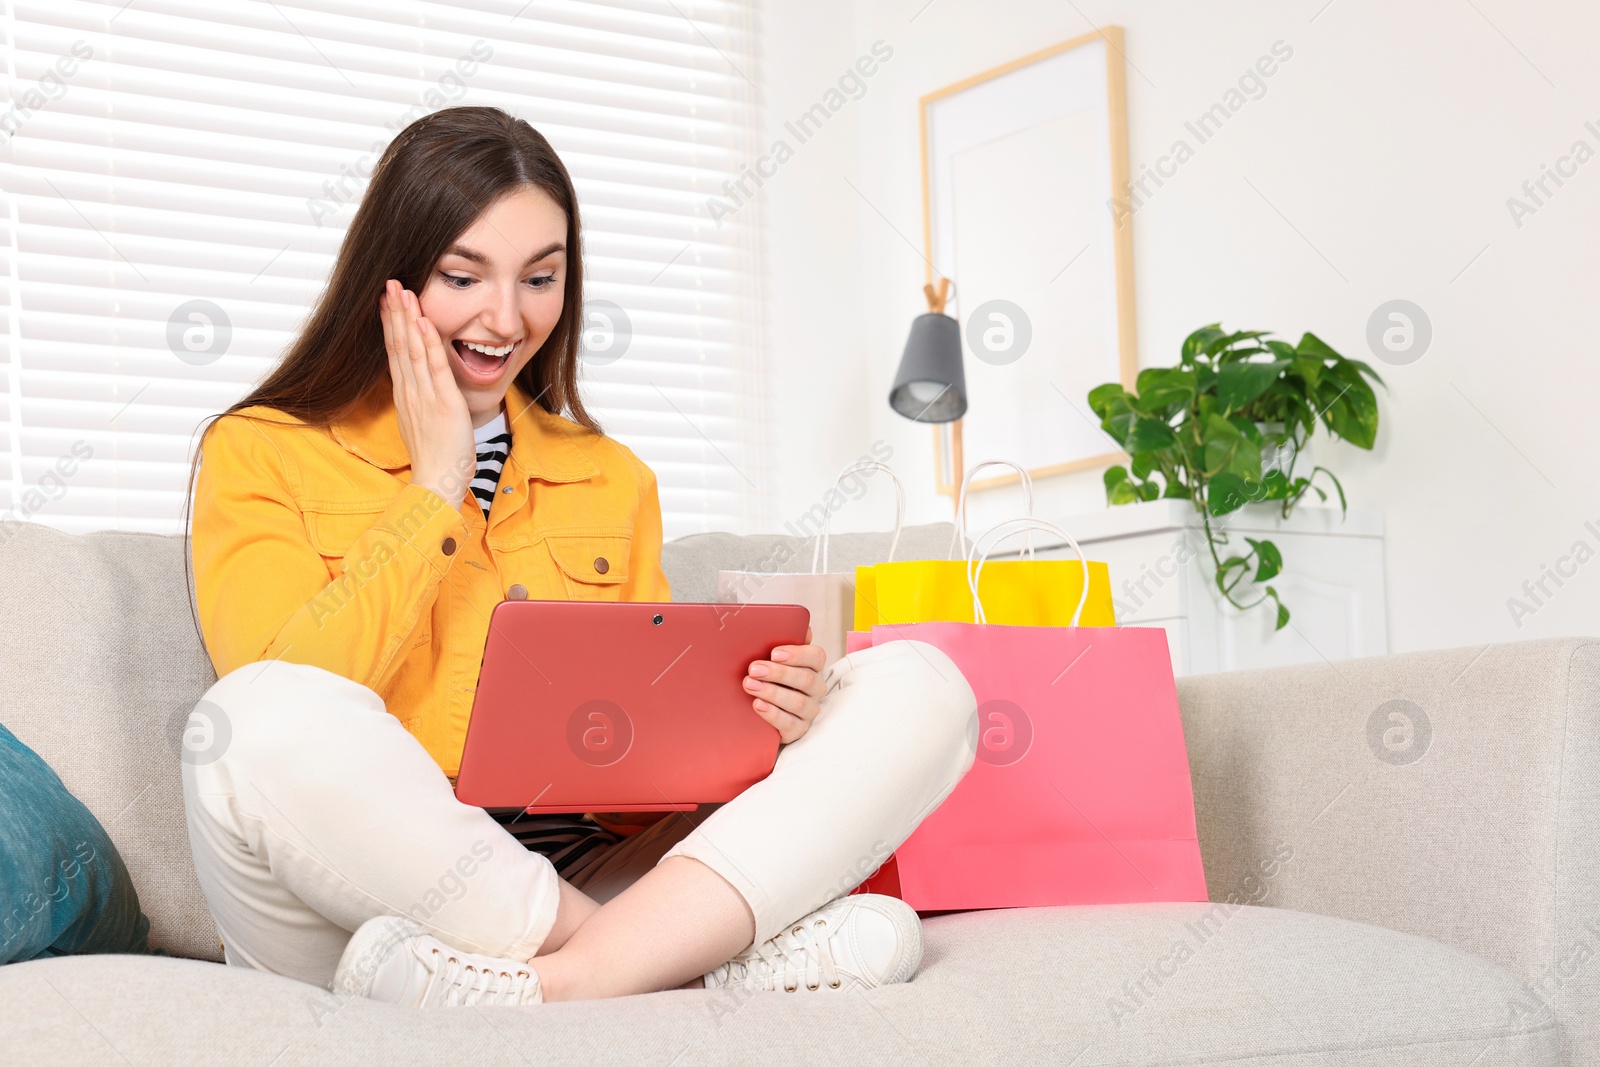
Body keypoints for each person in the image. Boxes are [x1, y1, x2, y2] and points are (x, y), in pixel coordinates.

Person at [180, 105, 977, 1008]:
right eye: (462, 275)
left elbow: (638, 778)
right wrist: (436, 487)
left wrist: (757, 728)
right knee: (251, 713)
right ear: (392, 276)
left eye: (540, 278)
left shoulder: (611, 476)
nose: (505, 317)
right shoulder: (259, 449)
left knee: (921, 684)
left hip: (590, 860)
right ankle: (670, 961)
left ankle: (551, 986)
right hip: (360, 884)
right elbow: (294, 698)